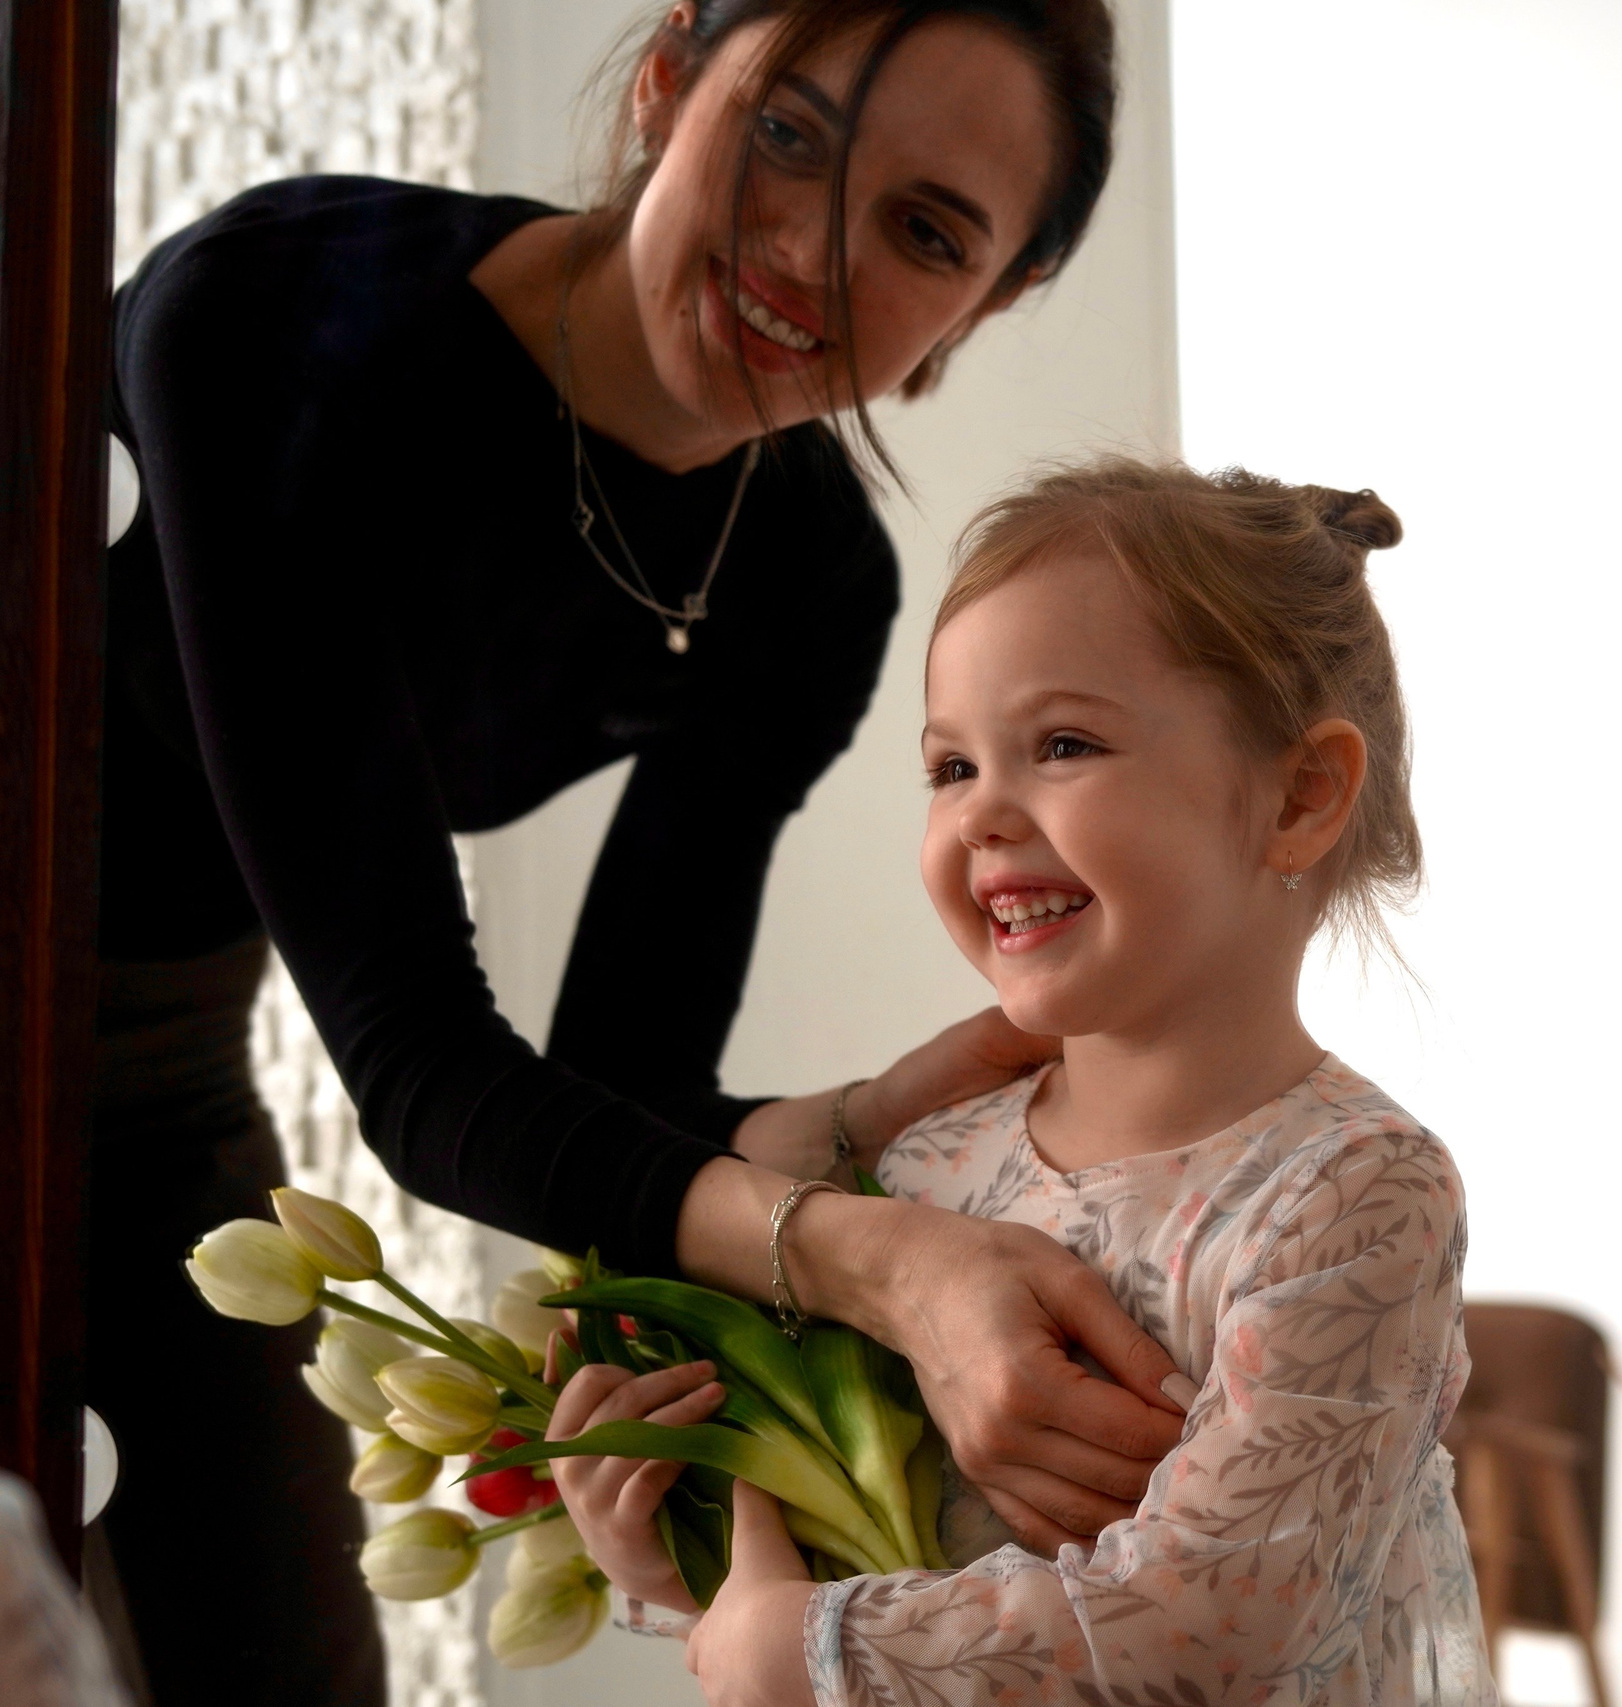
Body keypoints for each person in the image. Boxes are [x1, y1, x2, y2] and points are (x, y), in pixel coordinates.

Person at [95, 6, 1186, 1703]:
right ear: (672, 79)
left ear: (992, 297)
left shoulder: (808, 581)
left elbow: (618, 1088)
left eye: (924, 231)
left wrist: (855, 1129)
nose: (805, 252)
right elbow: (419, 1061)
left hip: (146, 1077)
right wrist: (872, 1257)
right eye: (789, 134)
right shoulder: (289, 316)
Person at [546, 459, 1493, 1706]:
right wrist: (671, 1566)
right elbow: (867, 1555)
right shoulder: (927, 1164)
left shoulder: (1353, 1196)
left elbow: (1211, 1626)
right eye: (950, 768)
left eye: (1061, 745)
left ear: (1298, 798)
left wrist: (813, 1655)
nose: (982, 814)